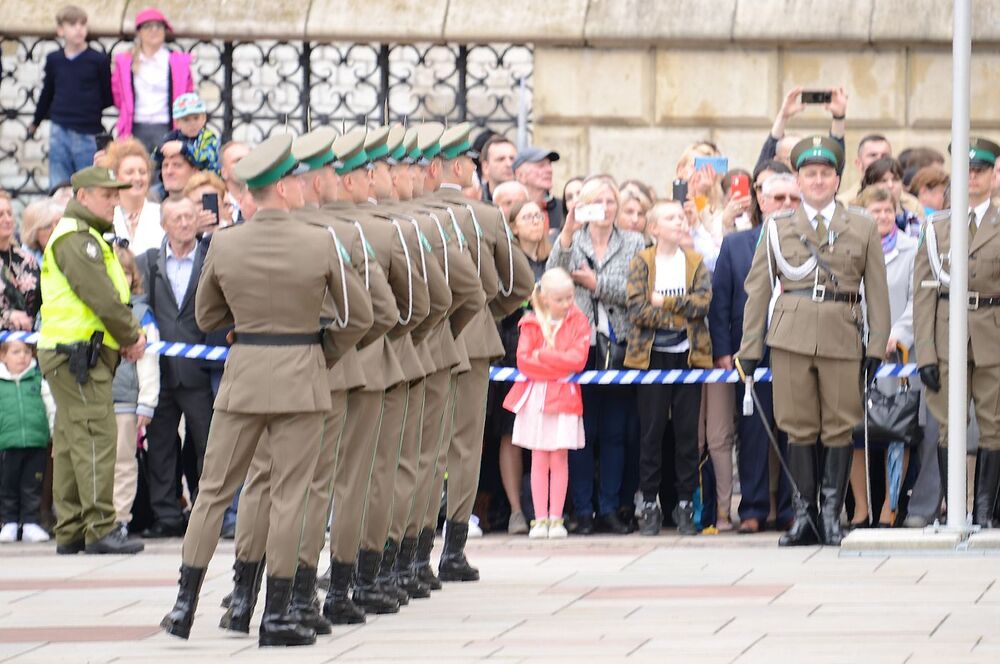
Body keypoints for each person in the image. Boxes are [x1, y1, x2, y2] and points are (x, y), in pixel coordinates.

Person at [160, 134, 350, 646]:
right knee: (289, 496)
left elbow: (205, 315)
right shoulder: (318, 240)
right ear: (284, 187)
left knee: (213, 492)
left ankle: (183, 606)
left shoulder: (224, 242)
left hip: (243, 374)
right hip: (301, 375)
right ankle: (278, 614)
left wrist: (241, 326)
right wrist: (318, 349)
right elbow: (358, 317)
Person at [218, 127, 374, 635]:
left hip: (258, 371)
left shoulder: (251, 231)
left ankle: (244, 596)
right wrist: (324, 349)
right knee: (308, 488)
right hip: (320, 371)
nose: (333, 181)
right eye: (329, 172)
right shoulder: (337, 233)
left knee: (261, 483)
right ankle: (297, 596)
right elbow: (379, 311)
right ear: (298, 182)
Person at [735, 136, 891, 547]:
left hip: (843, 332)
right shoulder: (777, 226)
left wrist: (876, 346)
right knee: (798, 426)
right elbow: (759, 292)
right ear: (799, 180)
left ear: (838, 179)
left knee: (840, 427)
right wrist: (749, 351)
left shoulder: (862, 225)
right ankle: (805, 516)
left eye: (825, 174)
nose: (818, 181)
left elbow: (876, 290)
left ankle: (831, 514)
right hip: (791, 336)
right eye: (810, 174)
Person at [421, 123, 533, 580]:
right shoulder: (484, 218)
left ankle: (408, 549)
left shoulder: (410, 216)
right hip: (473, 339)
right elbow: (520, 284)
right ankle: (453, 551)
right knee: (463, 447)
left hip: (422, 341)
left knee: (418, 447)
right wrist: (486, 311)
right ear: (463, 168)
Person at [36, 165, 147, 555]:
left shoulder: (82, 237)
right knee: (97, 437)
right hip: (77, 356)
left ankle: (70, 530)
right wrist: (132, 337)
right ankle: (100, 528)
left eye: (117, 194)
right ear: (83, 197)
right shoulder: (78, 240)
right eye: (107, 194)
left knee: (70, 440)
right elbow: (101, 298)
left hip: (71, 353)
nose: (115, 201)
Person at [547, 176, 646, 535]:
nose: (605, 209)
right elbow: (551, 278)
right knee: (582, 432)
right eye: (597, 202)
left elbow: (639, 291)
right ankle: (583, 510)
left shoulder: (634, 241)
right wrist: (568, 232)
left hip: (619, 345)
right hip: (580, 345)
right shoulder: (572, 242)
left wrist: (596, 285)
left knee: (616, 431)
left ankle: (610, 507)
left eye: (610, 202)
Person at [913, 137, 1000, 529]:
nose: (973, 179)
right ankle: (955, 511)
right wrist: (926, 354)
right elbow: (923, 296)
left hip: (992, 333)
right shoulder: (937, 227)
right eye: (966, 171)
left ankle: (983, 511)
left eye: (980, 171)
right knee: (950, 425)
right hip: (948, 334)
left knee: (993, 423)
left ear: (993, 175)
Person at [711, 172, 800, 534]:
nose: (785, 206)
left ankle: (794, 508)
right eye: (778, 198)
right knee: (753, 432)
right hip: (752, 350)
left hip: (797, 347)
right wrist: (722, 349)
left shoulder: (809, 241)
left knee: (797, 431)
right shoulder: (736, 245)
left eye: (792, 199)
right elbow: (721, 299)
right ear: (760, 201)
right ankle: (753, 508)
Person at [624, 200, 713, 535]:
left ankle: (686, 503)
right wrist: (679, 315)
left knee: (688, 435)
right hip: (651, 357)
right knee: (651, 432)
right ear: (654, 228)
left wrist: (667, 303)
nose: (679, 221)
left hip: (688, 355)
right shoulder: (642, 261)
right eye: (670, 217)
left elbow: (702, 304)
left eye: (681, 216)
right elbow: (637, 309)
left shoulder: (695, 262)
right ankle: (649, 502)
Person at [135, 197, 213, 539]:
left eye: (189, 216)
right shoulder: (148, 262)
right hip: (161, 372)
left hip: (199, 371)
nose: (184, 223)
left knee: (207, 445)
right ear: (164, 225)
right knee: (161, 448)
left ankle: (207, 512)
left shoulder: (211, 257)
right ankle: (166, 514)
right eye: (177, 217)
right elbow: (137, 301)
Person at [848, 186, 916, 527]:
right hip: (857, 350)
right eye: (876, 211)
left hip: (898, 356)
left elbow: (916, 301)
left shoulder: (912, 249)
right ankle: (861, 508)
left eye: (888, 211)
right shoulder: (851, 249)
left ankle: (890, 505)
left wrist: (896, 334)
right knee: (854, 431)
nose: (883, 217)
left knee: (896, 431)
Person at [504, 268, 589, 539]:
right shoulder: (530, 322)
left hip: (564, 397)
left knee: (560, 457)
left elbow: (578, 360)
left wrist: (545, 356)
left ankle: (556, 519)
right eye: (560, 299)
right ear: (545, 299)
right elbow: (524, 362)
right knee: (539, 457)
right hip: (536, 398)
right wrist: (557, 361)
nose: (567, 304)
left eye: (570, 297)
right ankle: (539, 519)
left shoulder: (579, 320)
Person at [488, 199, 550, 535]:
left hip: (550, 353)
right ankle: (515, 510)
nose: (535, 221)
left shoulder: (554, 257)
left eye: (539, 215)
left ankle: (545, 507)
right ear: (512, 226)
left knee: (546, 432)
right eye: (527, 216)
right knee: (511, 432)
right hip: (514, 352)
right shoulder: (507, 263)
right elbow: (499, 306)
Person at [28, 5, 112, 188]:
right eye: (72, 24)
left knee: (88, 185)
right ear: (60, 30)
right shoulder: (54, 59)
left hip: (88, 132)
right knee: (59, 184)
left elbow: (107, 97)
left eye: (82, 24)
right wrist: (36, 121)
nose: (78, 29)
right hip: (60, 130)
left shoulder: (98, 60)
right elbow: (47, 92)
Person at [110, 245, 160, 533]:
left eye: (125, 273)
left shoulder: (141, 313)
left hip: (127, 400)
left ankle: (120, 518)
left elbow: (149, 360)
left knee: (124, 462)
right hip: (97, 398)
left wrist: (147, 401)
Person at [111, 7, 194, 152]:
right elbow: (117, 94)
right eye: (148, 26)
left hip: (167, 126)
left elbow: (187, 93)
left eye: (158, 26)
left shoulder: (178, 62)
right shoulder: (124, 61)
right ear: (139, 32)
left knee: (165, 171)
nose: (154, 30)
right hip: (134, 126)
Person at [0, 340, 56, 543]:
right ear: (2, 356)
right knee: (7, 486)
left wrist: (55, 434)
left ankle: (31, 522)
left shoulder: (38, 380)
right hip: (6, 444)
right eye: (15, 352)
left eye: (26, 351)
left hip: (36, 443)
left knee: (32, 485)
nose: (22, 356)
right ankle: (9, 523)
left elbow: (51, 409)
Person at [755, 86, 848, 173]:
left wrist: (839, 117)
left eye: (803, 157)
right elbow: (763, 167)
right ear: (777, 160)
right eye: (792, 158)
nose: (799, 163)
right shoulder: (769, 186)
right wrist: (783, 116)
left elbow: (835, 161)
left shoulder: (814, 185)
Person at [102, 138, 164, 254]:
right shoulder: (104, 217)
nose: (137, 178)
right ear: (115, 176)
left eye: (142, 172)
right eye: (129, 172)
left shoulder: (162, 214)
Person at [0, 192, 42, 331]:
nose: (7, 219)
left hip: (29, 342)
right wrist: (6, 317)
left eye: (9, 213)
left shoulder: (27, 259)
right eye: (0, 214)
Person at [153, 93, 220, 175]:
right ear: (177, 122)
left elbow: (207, 159)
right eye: (186, 120)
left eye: (196, 118)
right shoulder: (172, 137)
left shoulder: (208, 137)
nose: (192, 123)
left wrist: (184, 148)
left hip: (205, 181)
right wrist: (160, 150)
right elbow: (154, 161)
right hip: (178, 180)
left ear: (203, 118)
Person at [861, 157, 921, 236]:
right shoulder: (859, 218)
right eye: (883, 180)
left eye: (895, 180)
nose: (890, 185)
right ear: (870, 185)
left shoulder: (913, 219)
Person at [514, 146, 563, 235]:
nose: (549, 170)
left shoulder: (563, 209)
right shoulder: (509, 210)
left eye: (549, 164)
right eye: (541, 166)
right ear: (520, 175)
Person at [19, 197, 63, 265]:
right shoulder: (23, 260)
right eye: (47, 226)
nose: (55, 229)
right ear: (33, 233)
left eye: (58, 223)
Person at [480, 135, 517, 202]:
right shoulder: (475, 200)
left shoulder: (526, 201)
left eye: (512, 159)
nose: (509, 164)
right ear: (486, 167)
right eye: (501, 159)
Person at [220, 141, 250, 221]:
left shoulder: (262, 203)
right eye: (237, 161)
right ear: (224, 172)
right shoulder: (218, 205)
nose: (244, 164)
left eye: (247, 159)